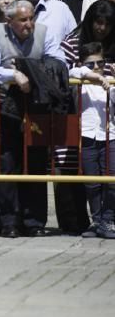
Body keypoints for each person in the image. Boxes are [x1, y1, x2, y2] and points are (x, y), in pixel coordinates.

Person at [0, 0, 67, 237]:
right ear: (9, 21)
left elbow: (58, 61)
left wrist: (31, 68)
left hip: (36, 106)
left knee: (36, 163)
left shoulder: (43, 32)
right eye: (23, 20)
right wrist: (12, 74)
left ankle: (34, 221)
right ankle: (9, 221)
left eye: (31, 19)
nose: (29, 25)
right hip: (4, 107)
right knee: (6, 163)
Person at [70, 42, 115, 239]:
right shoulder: (80, 77)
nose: (97, 67)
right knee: (91, 181)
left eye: (101, 62)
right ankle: (96, 220)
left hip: (110, 134)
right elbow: (73, 72)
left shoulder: (111, 81)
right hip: (87, 135)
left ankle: (108, 219)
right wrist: (93, 75)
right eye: (91, 64)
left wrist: (109, 80)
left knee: (111, 179)